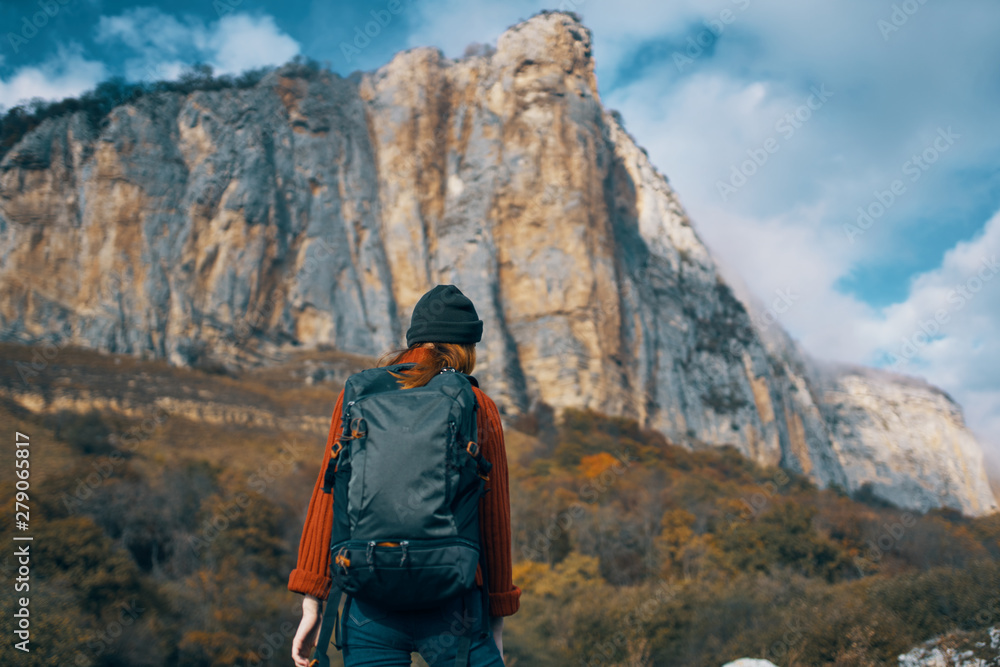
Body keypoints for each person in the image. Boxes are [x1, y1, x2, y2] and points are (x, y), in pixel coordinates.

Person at [289, 284, 521, 666]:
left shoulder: (359, 397)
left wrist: (313, 603)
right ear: (465, 348)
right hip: (455, 604)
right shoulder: (477, 403)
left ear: (414, 340)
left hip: (369, 597)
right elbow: (493, 517)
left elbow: (328, 496)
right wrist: (496, 619)